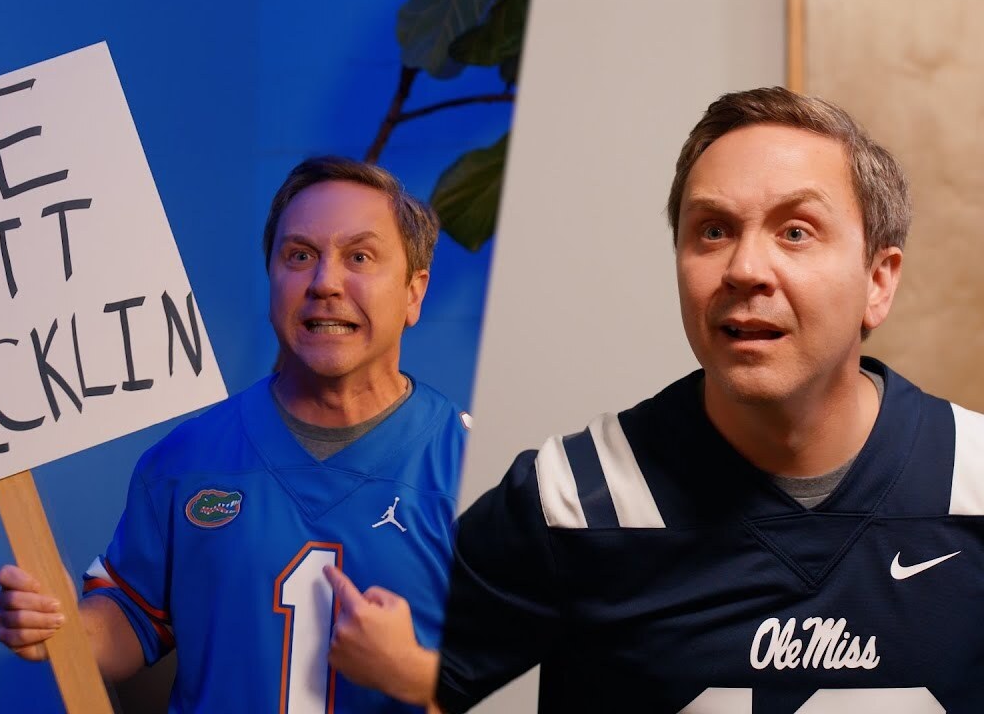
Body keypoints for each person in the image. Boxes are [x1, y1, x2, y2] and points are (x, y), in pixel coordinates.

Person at [325, 86, 984, 713]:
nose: (746, 269)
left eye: (796, 232)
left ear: (877, 281)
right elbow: (421, 676)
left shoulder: (975, 484)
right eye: (714, 231)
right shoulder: (571, 500)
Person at [0, 156, 470, 712]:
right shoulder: (184, 459)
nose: (325, 283)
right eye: (299, 256)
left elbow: (517, 681)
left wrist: (413, 675)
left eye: (359, 257)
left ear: (414, 293)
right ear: (271, 276)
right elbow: (132, 619)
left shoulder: (474, 469)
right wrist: (58, 630)